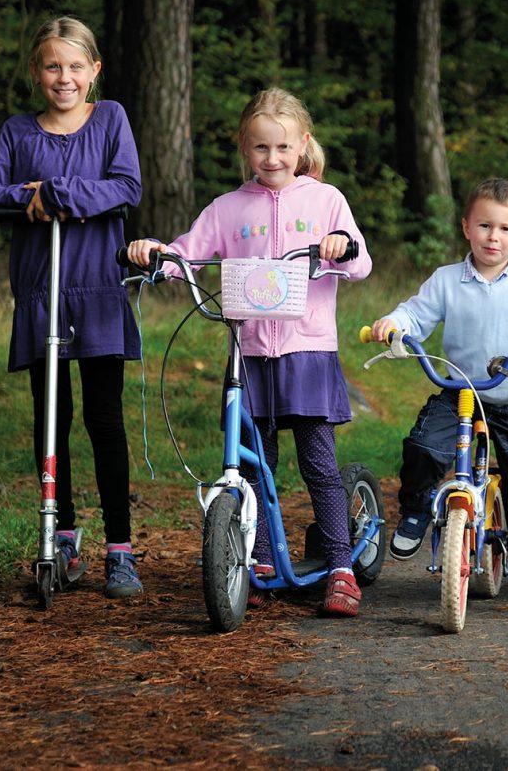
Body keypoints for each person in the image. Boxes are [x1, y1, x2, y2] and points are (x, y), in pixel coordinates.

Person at [125, 87, 372, 617]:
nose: (272, 159)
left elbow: (359, 262)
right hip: (249, 352)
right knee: (253, 465)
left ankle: (339, 567)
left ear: (303, 145)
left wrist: (340, 245)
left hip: (307, 350)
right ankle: (256, 562)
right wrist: (157, 254)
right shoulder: (227, 209)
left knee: (318, 463)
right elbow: (185, 255)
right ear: (246, 148)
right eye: (261, 149)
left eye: (283, 148)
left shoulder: (326, 201)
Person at [0, 16, 144, 598]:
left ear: (93, 71)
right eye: (51, 66)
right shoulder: (17, 133)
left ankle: (120, 547)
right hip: (44, 292)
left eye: (74, 67)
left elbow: (124, 187)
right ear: (36, 72)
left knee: (104, 418)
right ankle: (61, 536)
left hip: (97, 287)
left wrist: (58, 193)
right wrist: (25, 195)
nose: (63, 78)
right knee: (51, 419)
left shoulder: (111, 118)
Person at [370, 178, 508, 604]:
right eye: (484, 226)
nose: (492, 237)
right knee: (424, 446)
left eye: (504, 228)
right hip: (459, 392)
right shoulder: (447, 280)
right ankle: (415, 509)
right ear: (466, 227)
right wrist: (395, 325)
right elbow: (415, 313)